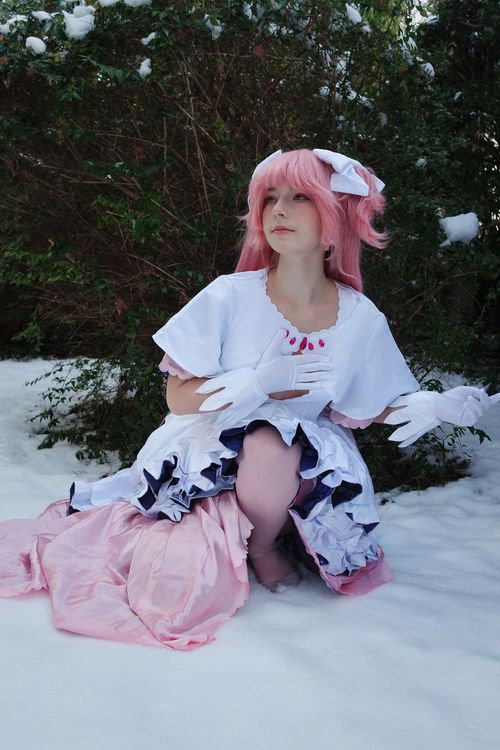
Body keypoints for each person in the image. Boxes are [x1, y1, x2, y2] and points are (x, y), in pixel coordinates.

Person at [1, 148, 498, 651]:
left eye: (300, 198)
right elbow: (177, 398)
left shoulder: (360, 317)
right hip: (213, 452)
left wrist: (435, 406)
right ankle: (259, 548)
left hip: (307, 466)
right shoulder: (230, 296)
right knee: (260, 452)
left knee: (280, 444)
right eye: (269, 199)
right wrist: (254, 386)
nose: (278, 210)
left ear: (336, 216)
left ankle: (271, 535)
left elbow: (373, 403)